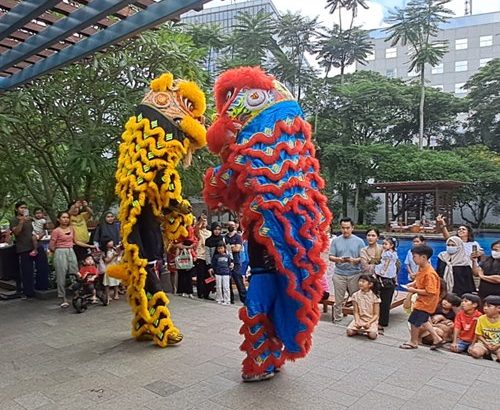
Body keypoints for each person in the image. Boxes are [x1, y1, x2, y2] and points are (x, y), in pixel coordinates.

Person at [400, 245, 444, 350]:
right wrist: (413, 284)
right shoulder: (422, 268)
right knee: (424, 320)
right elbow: (419, 280)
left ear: (423, 257)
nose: (413, 259)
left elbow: (430, 291)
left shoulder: (430, 273)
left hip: (426, 302)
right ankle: (437, 338)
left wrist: (413, 290)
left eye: (415, 256)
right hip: (423, 301)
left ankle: (413, 342)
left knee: (414, 321)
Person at [49, 211, 95, 308]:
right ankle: (63, 298)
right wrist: (58, 252)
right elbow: (51, 246)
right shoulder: (56, 231)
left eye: (67, 217)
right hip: (60, 252)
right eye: (63, 217)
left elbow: (76, 241)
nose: (65, 219)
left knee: (75, 273)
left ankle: (77, 295)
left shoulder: (71, 229)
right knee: (61, 275)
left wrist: (90, 245)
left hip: (71, 250)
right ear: (58, 219)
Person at [9, 201, 50, 296]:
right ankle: (29, 291)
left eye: (25, 208)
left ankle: (42, 287)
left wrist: (41, 234)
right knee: (27, 270)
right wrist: (21, 222)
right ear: (16, 209)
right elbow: (16, 233)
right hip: (24, 247)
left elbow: (42, 229)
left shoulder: (32, 219)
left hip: (37, 245)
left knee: (43, 266)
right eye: (21, 208)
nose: (24, 209)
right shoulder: (14, 220)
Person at [329, 218, 365, 322]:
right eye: (343, 228)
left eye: (348, 228)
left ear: (352, 228)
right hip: (339, 273)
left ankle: (358, 319)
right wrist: (339, 259)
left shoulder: (359, 241)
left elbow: (363, 257)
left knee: (356, 298)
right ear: (340, 228)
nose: (345, 230)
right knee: (338, 299)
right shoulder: (336, 241)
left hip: (354, 273)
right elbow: (331, 256)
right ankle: (337, 319)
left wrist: (354, 260)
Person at [374, 237, 399, 329]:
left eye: (385, 244)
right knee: (383, 301)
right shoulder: (392, 253)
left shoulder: (389, 254)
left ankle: (382, 321)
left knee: (384, 302)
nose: (383, 245)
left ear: (391, 245)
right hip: (388, 278)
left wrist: (382, 271)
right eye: (383, 243)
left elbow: (386, 263)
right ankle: (379, 320)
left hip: (385, 277)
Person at [346, 275, 381, 340]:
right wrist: (357, 321)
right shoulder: (355, 295)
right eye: (360, 281)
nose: (360, 283)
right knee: (349, 332)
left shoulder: (375, 296)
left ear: (370, 284)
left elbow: (376, 314)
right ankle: (360, 329)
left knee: (372, 335)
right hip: (360, 318)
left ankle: (370, 329)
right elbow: (356, 311)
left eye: (363, 282)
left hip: (371, 319)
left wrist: (369, 323)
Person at [468, 295, 500, 361]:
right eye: (484, 306)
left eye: (489, 306)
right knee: (475, 353)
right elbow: (478, 334)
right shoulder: (481, 318)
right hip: (484, 343)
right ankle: (486, 353)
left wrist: (497, 345)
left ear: (498, 308)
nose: (485, 308)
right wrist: (486, 343)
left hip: (498, 345)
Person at [193, 216, 214, 300]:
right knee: (200, 276)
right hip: (200, 256)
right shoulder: (198, 232)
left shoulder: (210, 232)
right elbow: (196, 230)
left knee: (208, 276)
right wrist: (200, 222)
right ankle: (200, 293)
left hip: (209, 257)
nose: (204, 222)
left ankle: (207, 293)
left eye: (205, 221)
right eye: (203, 221)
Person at [226, 220, 246, 304]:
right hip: (227, 262)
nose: (231, 226)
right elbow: (223, 249)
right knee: (228, 281)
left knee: (238, 280)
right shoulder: (225, 237)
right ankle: (230, 299)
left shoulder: (238, 237)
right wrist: (232, 247)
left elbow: (237, 248)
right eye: (230, 225)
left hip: (237, 261)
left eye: (233, 225)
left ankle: (244, 299)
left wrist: (229, 247)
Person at [173, 226, 197, 298]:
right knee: (182, 276)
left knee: (188, 277)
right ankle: (182, 291)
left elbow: (194, 247)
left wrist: (194, 256)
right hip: (183, 260)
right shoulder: (179, 237)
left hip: (187, 260)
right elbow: (176, 246)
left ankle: (188, 291)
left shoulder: (191, 238)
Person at [101, 238, 122, 302]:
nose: (111, 243)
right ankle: (108, 295)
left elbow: (118, 257)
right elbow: (106, 261)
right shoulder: (104, 252)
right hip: (108, 267)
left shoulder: (114, 249)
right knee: (107, 282)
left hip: (115, 266)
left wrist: (118, 254)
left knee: (116, 281)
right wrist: (113, 256)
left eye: (111, 241)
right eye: (109, 242)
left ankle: (116, 293)